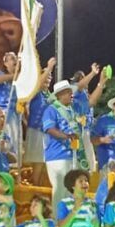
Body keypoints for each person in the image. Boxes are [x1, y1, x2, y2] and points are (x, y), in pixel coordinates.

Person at [43, 80, 88, 214]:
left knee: (71, 189)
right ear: (60, 95)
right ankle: (58, 220)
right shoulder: (51, 109)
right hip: (57, 155)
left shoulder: (72, 111)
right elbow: (49, 129)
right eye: (68, 92)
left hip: (72, 155)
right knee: (60, 189)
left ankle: (70, 219)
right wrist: (67, 137)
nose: (71, 94)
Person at [23, 57, 57, 187]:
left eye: (50, 76)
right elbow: (38, 84)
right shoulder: (35, 92)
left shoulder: (49, 96)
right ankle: (35, 190)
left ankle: (39, 188)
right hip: (36, 131)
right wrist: (49, 68)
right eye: (46, 76)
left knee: (43, 165)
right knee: (37, 163)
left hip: (47, 133)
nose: (48, 78)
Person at [0, 51, 21, 165]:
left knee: (14, 142)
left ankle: (12, 167)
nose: (15, 60)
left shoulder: (20, 80)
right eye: (12, 58)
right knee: (2, 141)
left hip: (13, 116)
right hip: (0, 113)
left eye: (16, 58)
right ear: (6, 63)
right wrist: (12, 76)